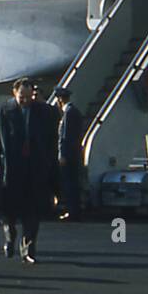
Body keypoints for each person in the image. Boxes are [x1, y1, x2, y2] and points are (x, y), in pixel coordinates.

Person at [0, 77, 58, 263]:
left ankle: (28, 248)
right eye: (22, 97)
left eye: (28, 97)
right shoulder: (2, 111)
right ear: (14, 93)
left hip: (35, 169)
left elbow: (51, 142)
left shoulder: (45, 112)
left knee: (33, 212)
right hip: (11, 169)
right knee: (9, 213)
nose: (25, 101)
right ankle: (10, 236)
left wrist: (51, 165)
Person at [55, 87, 85, 219]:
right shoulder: (75, 112)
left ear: (60, 99)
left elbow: (64, 137)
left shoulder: (67, 113)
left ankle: (71, 210)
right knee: (74, 182)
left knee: (68, 182)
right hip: (75, 153)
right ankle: (75, 209)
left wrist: (62, 154)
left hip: (68, 154)